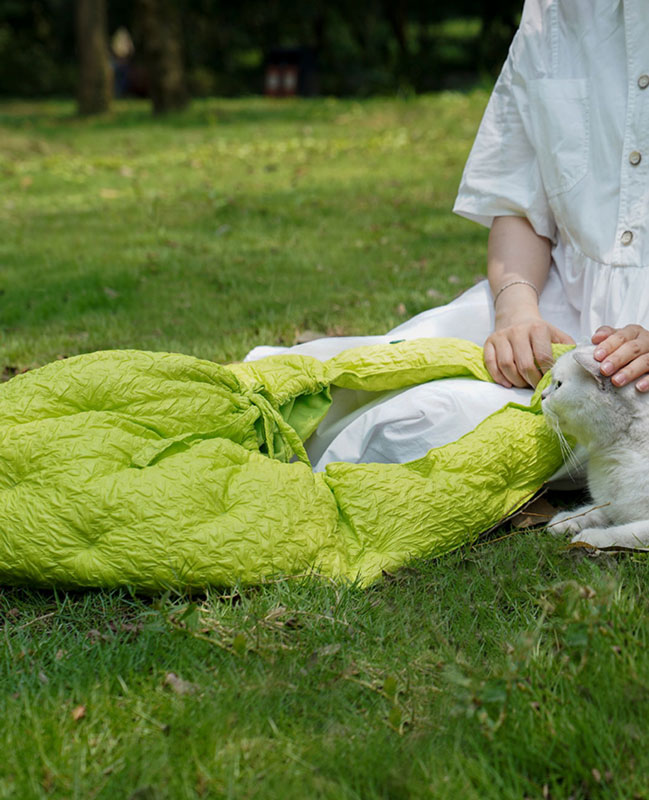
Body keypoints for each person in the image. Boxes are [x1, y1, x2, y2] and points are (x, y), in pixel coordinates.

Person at [246, 0, 649, 470]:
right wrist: (516, 315)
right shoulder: (555, 14)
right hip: (552, 306)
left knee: (416, 427)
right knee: (344, 383)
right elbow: (518, 205)